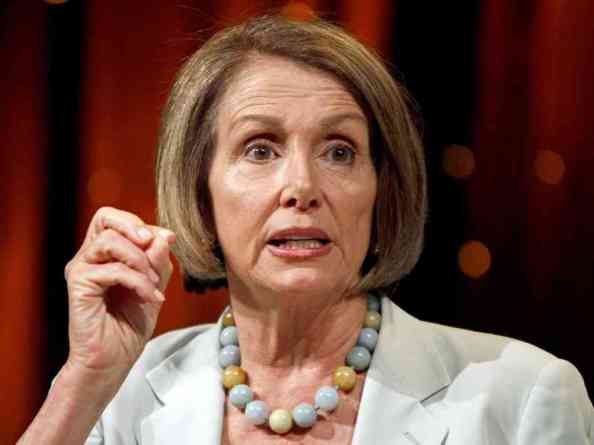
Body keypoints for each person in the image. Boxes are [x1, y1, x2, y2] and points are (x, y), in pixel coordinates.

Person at [19, 14, 593, 445]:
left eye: (339, 151)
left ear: (382, 190)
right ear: (201, 192)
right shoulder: (123, 390)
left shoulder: (521, 396)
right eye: (260, 149)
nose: (302, 186)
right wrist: (84, 379)